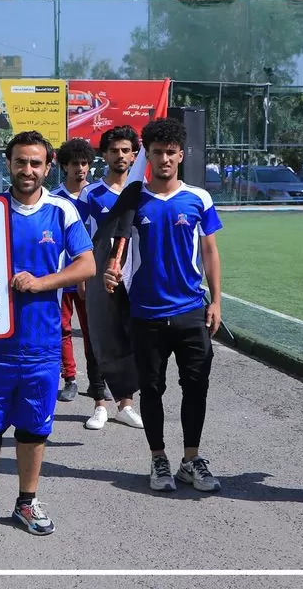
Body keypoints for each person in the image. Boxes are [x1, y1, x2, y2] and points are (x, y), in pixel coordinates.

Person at [0, 131, 95, 536]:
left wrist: (43, 283)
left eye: (35, 163)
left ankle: (27, 501)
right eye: (20, 162)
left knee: (34, 427)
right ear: (8, 164)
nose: (27, 170)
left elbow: (87, 265)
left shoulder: (61, 211)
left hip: (41, 343)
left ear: (48, 165)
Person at [103, 117, 224, 493]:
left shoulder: (199, 198)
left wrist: (216, 301)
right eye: (158, 153)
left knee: (196, 387)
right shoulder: (134, 199)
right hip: (146, 313)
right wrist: (112, 271)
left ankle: (191, 459)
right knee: (152, 390)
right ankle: (158, 458)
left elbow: (209, 249)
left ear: (181, 155)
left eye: (171, 152)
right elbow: (117, 247)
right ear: (148, 155)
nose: (165, 159)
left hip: (190, 308)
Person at [78, 126, 143, 431]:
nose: (120, 156)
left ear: (134, 154)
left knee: (128, 336)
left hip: (135, 275)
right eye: (114, 150)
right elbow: (79, 237)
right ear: (104, 154)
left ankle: (126, 404)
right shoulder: (91, 194)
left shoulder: (142, 191)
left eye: (126, 150)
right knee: (98, 337)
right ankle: (99, 403)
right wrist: (84, 275)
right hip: (98, 274)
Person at [50, 139, 95, 403]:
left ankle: (97, 379)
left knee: (93, 330)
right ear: (64, 166)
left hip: (89, 276)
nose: (80, 168)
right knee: (63, 329)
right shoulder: (54, 199)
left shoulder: (96, 196)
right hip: (63, 276)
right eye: (75, 163)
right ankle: (70, 379)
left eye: (85, 163)